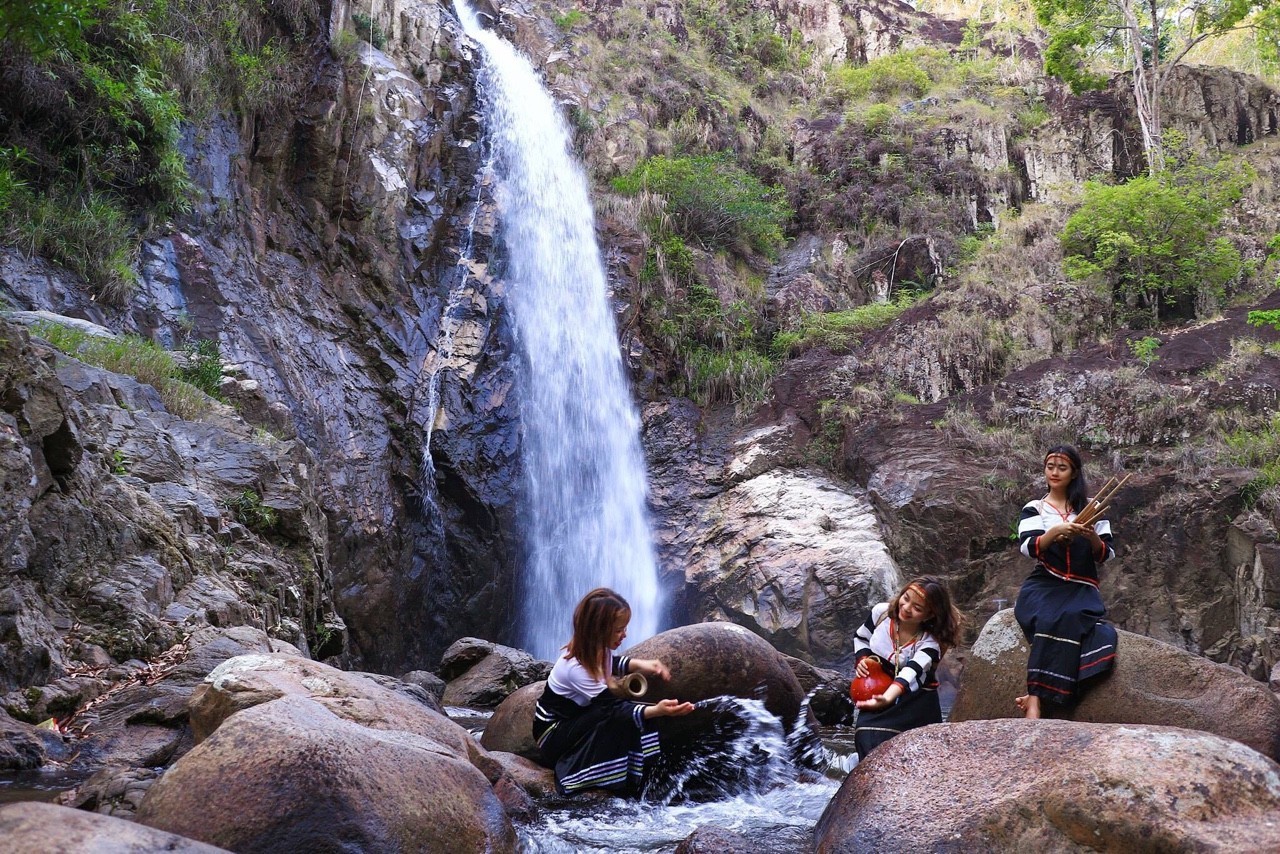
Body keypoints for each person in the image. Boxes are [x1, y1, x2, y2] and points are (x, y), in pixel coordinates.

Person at [532, 587, 695, 795]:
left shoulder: (597, 649)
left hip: (575, 718)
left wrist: (641, 665)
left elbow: (612, 663)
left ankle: (636, 771)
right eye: (619, 630)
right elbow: (611, 708)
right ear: (598, 631)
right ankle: (582, 773)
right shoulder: (574, 668)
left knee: (624, 713)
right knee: (615, 716)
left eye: (625, 628)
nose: (625, 635)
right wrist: (658, 710)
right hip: (552, 733)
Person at [1013, 444, 1117, 719]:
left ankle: (1037, 694)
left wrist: (1090, 535)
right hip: (1045, 582)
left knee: (1070, 616)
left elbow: (1106, 554)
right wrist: (1056, 532)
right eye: (1050, 467)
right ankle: (1035, 699)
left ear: (1074, 473)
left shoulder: (1092, 509)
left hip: (1081, 586)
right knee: (1048, 616)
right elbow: (1029, 547)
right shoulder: (1034, 508)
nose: (1055, 472)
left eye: (1062, 467)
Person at [852, 576, 963, 759]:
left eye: (917, 608)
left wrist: (887, 698)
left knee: (914, 753)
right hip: (878, 687)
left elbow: (910, 672)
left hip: (915, 701)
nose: (906, 608)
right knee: (866, 734)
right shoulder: (880, 614)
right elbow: (861, 637)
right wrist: (863, 659)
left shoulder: (929, 644)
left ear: (929, 615)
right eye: (905, 598)